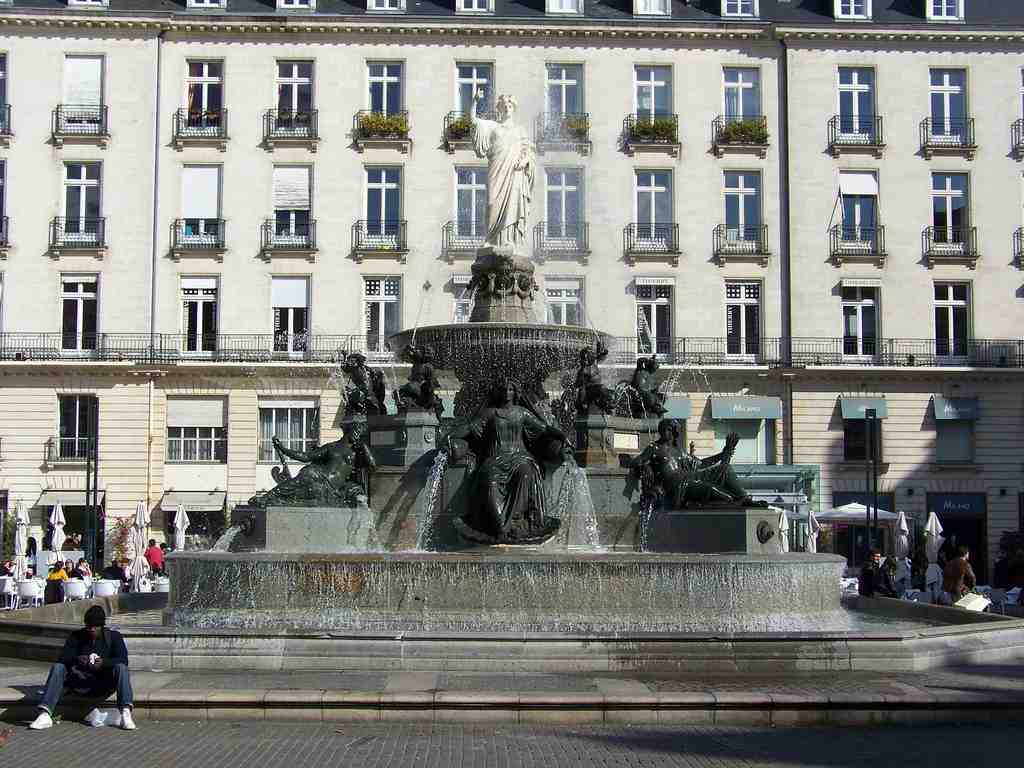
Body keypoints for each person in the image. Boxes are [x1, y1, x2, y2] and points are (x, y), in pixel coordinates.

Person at [28, 605, 135, 731]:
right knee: (58, 667)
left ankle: (125, 712)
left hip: (103, 683)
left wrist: (104, 663)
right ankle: (45, 714)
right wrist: (78, 659)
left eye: (95, 626)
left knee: (122, 668)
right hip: (80, 683)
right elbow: (62, 658)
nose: (92, 629)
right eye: (89, 626)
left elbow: (123, 659)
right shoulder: (76, 636)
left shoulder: (114, 637)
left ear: (102, 626)